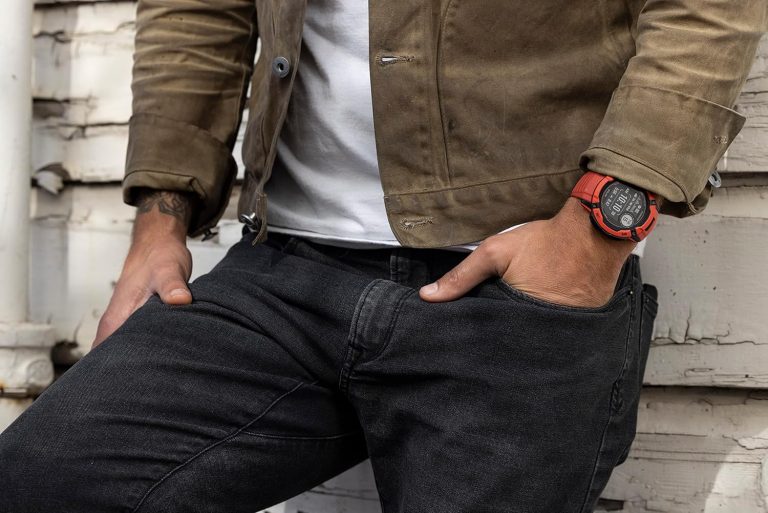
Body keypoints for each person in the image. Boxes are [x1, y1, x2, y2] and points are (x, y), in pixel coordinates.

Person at [1, 1, 765, 512]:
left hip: (515, 287)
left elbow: (706, 9)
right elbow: (199, 7)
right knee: (38, 481)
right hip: (281, 270)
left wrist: (596, 231)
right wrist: (160, 218)